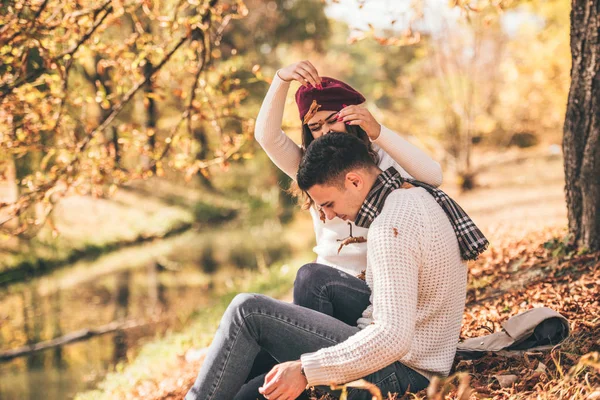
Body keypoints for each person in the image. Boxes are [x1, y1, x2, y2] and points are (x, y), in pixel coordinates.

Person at [185, 132, 488, 400]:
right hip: (425, 353)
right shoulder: (413, 195)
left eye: (328, 204)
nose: (329, 217)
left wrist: (306, 369)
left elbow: (393, 338)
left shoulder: (389, 228)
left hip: (406, 373)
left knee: (248, 311)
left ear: (354, 181)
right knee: (313, 278)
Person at [237, 61, 444, 399]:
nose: (327, 131)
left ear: (351, 117)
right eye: (316, 126)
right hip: (328, 303)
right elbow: (266, 136)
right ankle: (280, 379)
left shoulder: (377, 162)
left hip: (377, 300)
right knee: (255, 362)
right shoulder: (312, 168)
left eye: (334, 120)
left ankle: (307, 380)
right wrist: (280, 80)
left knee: (309, 277)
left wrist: (378, 131)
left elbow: (432, 175)